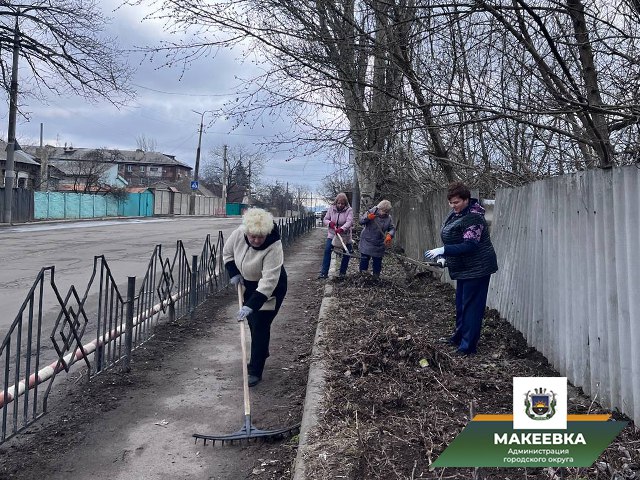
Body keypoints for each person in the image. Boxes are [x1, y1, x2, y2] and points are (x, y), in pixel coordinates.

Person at [424, 182, 498, 356]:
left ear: (466, 199)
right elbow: (452, 238)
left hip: (478, 268)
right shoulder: (456, 214)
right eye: (451, 202)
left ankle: (468, 347)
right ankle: (458, 337)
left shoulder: (474, 217)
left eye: (456, 202)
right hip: (464, 267)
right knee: (461, 305)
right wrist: (444, 258)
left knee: (472, 307)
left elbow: (470, 245)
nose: (453, 206)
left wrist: (443, 250)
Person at [223, 208, 287, 387]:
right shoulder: (238, 234)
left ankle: (255, 370)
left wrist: (251, 305)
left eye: (260, 237)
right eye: (253, 237)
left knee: (260, 325)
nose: (257, 240)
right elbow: (227, 254)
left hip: (271, 288)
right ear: (247, 232)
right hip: (249, 285)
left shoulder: (274, 245)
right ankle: (261, 351)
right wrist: (234, 273)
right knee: (252, 323)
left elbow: (269, 281)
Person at [318, 192, 354, 279]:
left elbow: (349, 222)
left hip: (345, 235)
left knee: (347, 253)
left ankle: (342, 273)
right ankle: (324, 273)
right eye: (339, 203)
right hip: (332, 234)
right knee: (327, 251)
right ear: (336, 202)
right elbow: (325, 219)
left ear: (345, 203)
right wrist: (330, 223)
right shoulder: (331, 209)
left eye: (342, 203)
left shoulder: (349, 210)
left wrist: (342, 229)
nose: (340, 205)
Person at [358, 199, 395, 278]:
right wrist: (368, 218)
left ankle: (376, 278)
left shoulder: (388, 218)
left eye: (386, 212)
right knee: (364, 260)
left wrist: (389, 235)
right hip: (367, 241)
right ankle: (362, 277)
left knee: (377, 262)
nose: (383, 213)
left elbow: (392, 228)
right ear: (379, 208)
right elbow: (361, 221)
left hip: (379, 243)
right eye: (382, 211)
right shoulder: (371, 211)